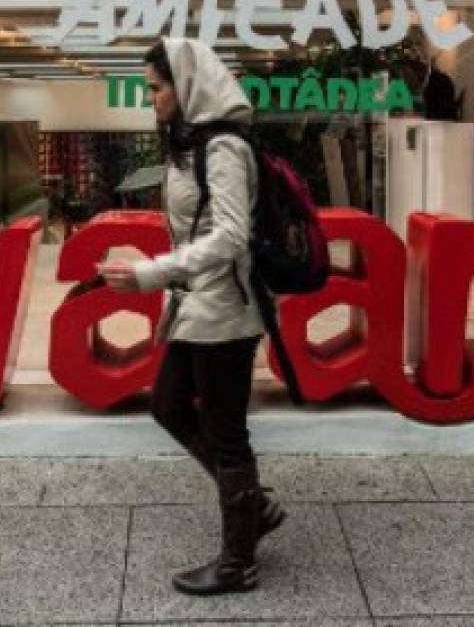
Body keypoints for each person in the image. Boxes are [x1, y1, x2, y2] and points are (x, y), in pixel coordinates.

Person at [99, 38, 285, 596]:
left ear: (187, 87)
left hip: (224, 312)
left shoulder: (224, 147)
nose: (151, 98)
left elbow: (229, 236)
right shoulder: (192, 143)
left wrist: (152, 273)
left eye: (156, 87)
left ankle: (237, 563)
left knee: (227, 432)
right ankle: (255, 508)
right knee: (168, 405)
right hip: (195, 305)